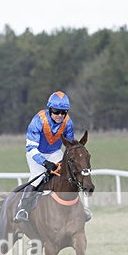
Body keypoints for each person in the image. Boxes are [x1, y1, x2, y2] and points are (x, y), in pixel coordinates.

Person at [14, 91, 79, 223]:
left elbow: (69, 146)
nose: (60, 115)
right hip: (36, 153)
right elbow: (30, 147)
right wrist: (44, 163)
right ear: (50, 109)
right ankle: (23, 209)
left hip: (55, 152)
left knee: (69, 174)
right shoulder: (38, 120)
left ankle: (78, 207)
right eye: (56, 111)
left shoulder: (68, 123)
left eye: (63, 112)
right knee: (37, 178)